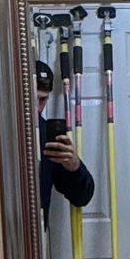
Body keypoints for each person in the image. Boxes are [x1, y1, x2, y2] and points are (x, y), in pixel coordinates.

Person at [37, 61, 96, 220]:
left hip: (36, 237)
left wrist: (74, 166)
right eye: (33, 99)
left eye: (42, 100)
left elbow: (82, 197)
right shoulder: (2, 132)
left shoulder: (47, 137)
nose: (37, 108)